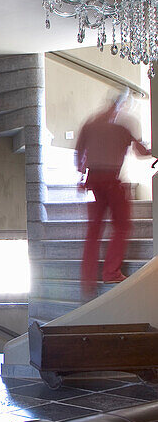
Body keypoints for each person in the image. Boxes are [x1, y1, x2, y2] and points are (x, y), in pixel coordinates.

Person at [75, 90, 152, 298]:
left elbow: (79, 152)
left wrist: (81, 176)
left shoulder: (90, 124)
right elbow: (141, 152)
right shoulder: (122, 127)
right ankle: (110, 272)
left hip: (94, 180)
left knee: (94, 231)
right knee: (122, 226)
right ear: (119, 106)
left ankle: (88, 280)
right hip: (111, 181)